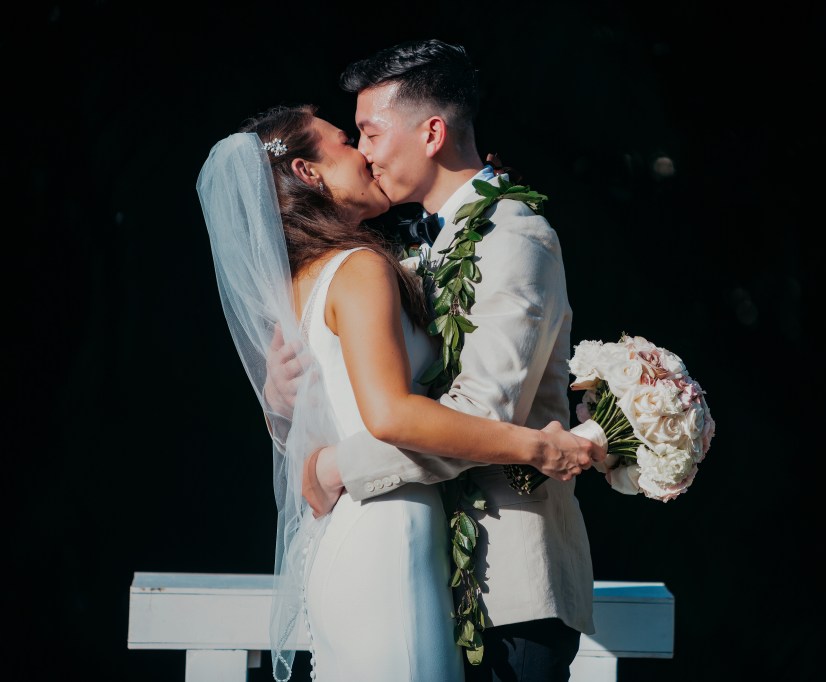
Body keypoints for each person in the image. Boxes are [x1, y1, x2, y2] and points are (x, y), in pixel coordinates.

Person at [197, 106, 603, 682]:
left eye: (369, 132)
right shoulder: (360, 267)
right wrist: (537, 447)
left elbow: (322, 407)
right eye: (346, 139)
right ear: (309, 173)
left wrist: (316, 449)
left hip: (357, 532)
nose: (364, 151)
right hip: (389, 531)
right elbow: (392, 414)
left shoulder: (303, 279)